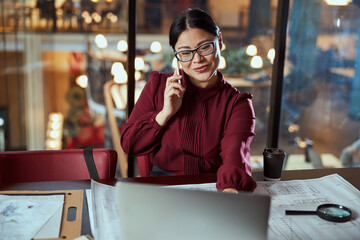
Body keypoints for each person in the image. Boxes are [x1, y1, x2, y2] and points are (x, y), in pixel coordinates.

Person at [120, 8, 256, 192]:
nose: (197, 59)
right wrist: (164, 114)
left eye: (205, 47)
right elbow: (129, 144)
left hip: (212, 191)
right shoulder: (158, 86)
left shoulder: (237, 104)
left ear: (220, 42)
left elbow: (235, 160)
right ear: (176, 56)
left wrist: (229, 198)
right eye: (185, 53)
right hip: (161, 191)